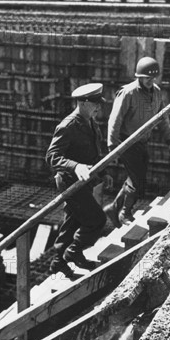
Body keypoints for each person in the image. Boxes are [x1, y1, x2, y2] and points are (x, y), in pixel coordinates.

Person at [105, 56, 170, 226]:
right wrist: (112, 146)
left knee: (137, 178)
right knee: (137, 180)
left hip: (143, 142)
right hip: (127, 142)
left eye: (153, 78)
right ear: (139, 76)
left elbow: (163, 118)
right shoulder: (128, 93)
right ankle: (124, 212)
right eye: (147, 78)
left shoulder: (157, 92)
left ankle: (113, 209)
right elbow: (115, 120)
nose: (150, 81)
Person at [45, 83, 107, 278]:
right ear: (82, 103)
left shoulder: (91, 122)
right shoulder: (68, 125)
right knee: (96, 219)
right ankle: (73, 252)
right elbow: (52, 156)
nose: (98, 107)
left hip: (84, 181)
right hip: (71, 181)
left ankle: (58, 263)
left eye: (99, 104)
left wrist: (103, 175)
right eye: (94, 104)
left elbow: (93, 154)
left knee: (72, 222)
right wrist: (76, 166)